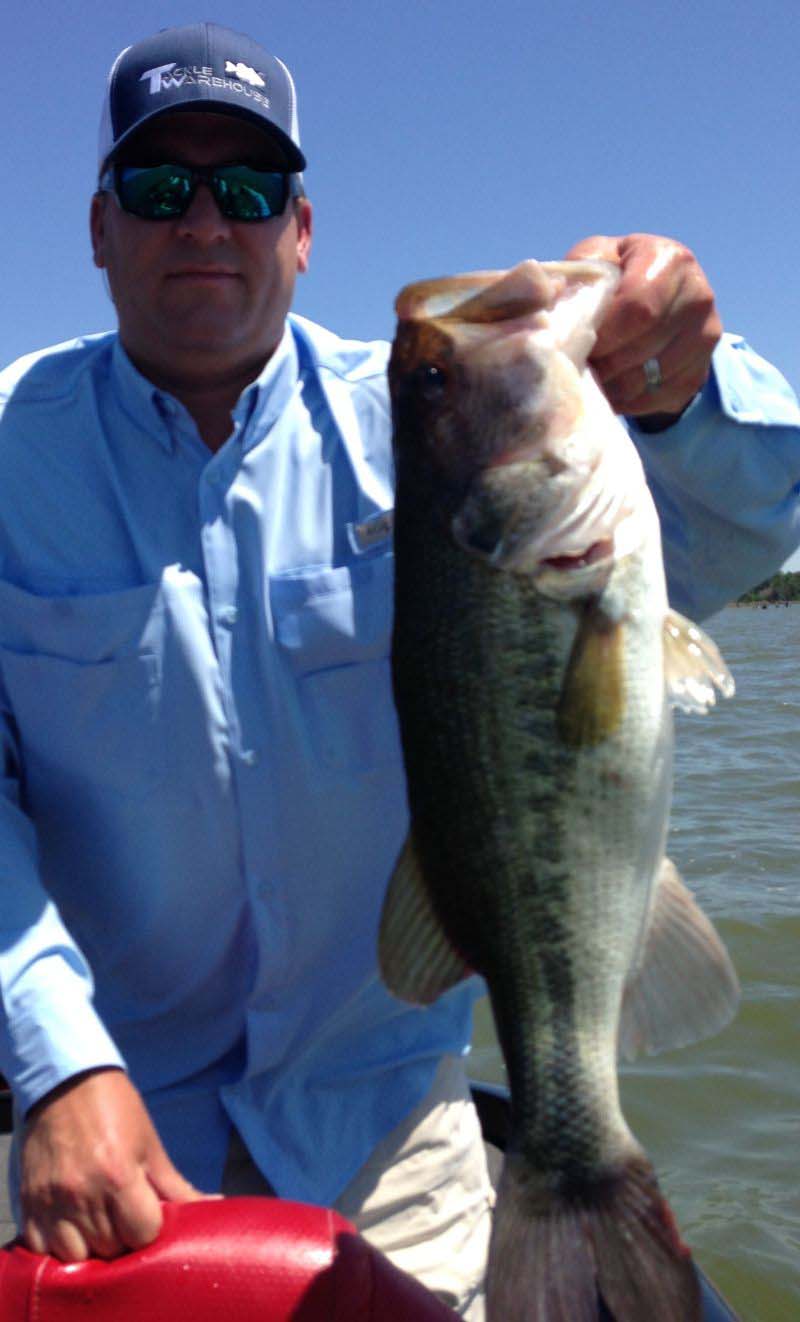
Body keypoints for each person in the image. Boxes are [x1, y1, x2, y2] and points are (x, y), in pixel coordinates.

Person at [1, 20, 799, 1320]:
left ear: (302, 231)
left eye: (248, 187)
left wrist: (678, 387)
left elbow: (752, 519)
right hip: (100, 1126)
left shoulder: (429, 425)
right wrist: (55, 1059)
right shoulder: (7, 452)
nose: (204, 220)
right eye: (158, 185)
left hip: (389, 1134)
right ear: (97, 227)